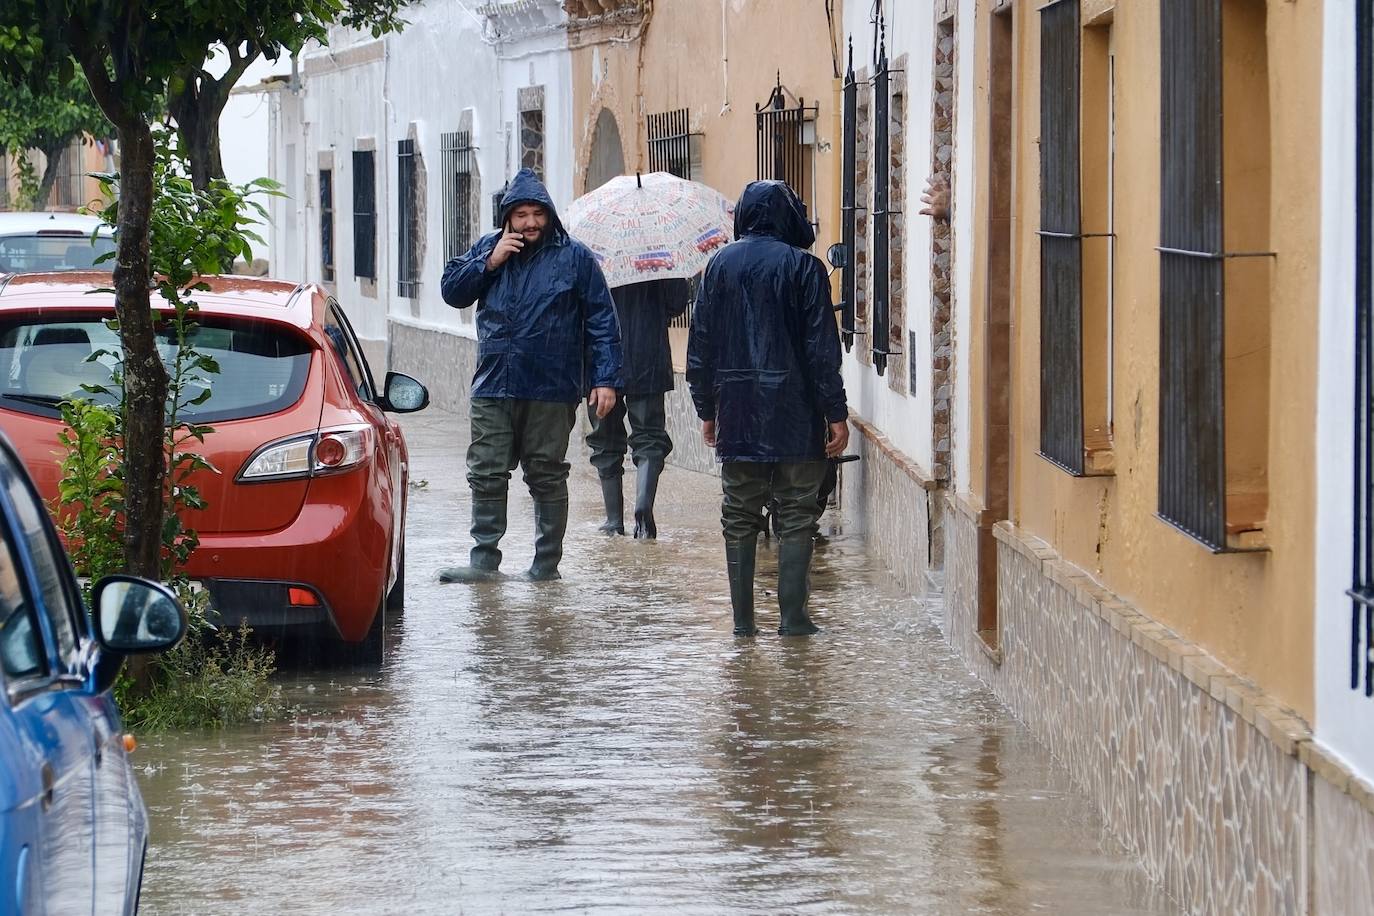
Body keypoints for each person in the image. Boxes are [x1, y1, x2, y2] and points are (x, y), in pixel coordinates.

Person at [439, 168, 623, 582]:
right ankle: (483, 560)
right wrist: (489, 263)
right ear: (507, 217)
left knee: (546, 473)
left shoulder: (575, 258)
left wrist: (605, 378)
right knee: (486, 470)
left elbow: (602, 321)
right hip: (494, 384)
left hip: (551, 387)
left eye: (536, 213)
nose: (530, 223)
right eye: (520, 214)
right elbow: (452, 291)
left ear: (549, 214)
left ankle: (546, 564)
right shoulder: (488, 249)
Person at [686, 180, 849, 637]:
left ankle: (743, 625)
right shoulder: (806, 268)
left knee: (739, 513)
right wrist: (834, 412)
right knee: (797, 512)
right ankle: (793, 619)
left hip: (736, 411)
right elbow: (822, 351)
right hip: (796, 414)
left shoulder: (716, 267)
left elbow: (699, 347)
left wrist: (707, 409)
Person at [587, 277, 689, 538]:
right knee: (649, 437)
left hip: (600, 356)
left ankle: (613, 520)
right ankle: (643, 507)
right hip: (649, 353)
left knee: (604, 440)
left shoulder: (591, 252)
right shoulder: (659, 252)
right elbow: (677, 304)